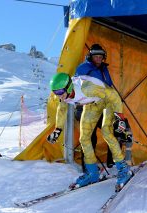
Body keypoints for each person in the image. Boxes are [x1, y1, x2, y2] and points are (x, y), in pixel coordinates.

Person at [47, 45, 132, 191]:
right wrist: (58, 129)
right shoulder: (64, 96)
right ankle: (92, 173)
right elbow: (61, 111)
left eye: (60, 91)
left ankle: (123, 169)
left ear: (68, 87)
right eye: (55, 93)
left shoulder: (86, 88)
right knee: (84, 138)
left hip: (107, 100)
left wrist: (120, 118)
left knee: (106, 132)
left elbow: (113, 96)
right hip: (92, 103)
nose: (58, 95)